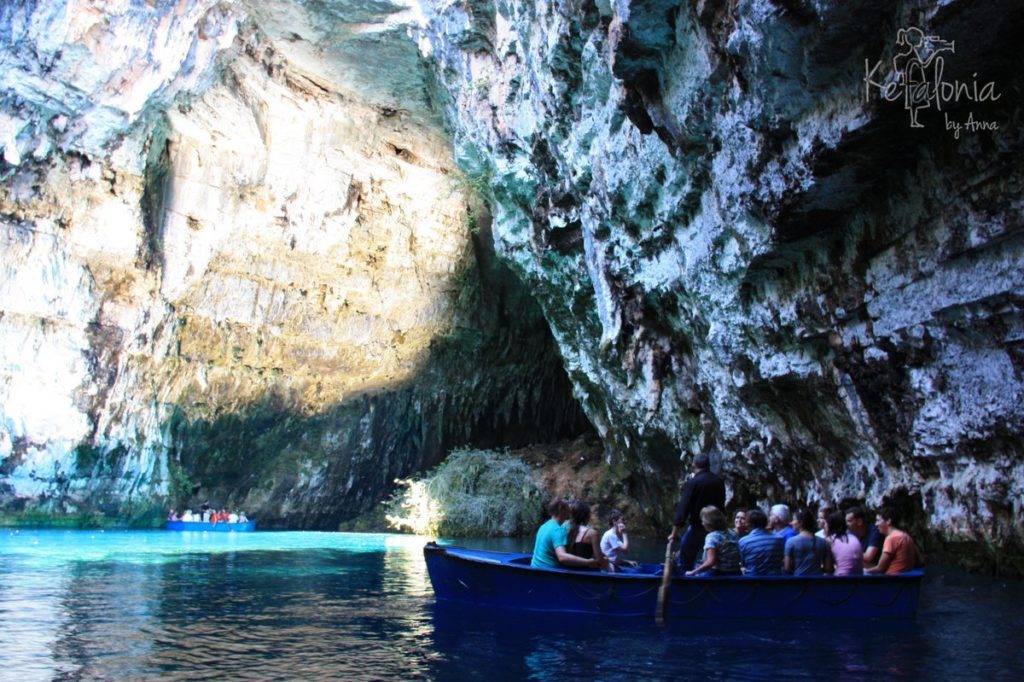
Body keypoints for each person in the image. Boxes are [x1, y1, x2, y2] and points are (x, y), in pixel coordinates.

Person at [669, 452, 725, 570]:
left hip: (698, 527)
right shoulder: (719, 481)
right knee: (715, 558)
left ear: (694, 465)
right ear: (708, 465)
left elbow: (683, 509)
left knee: (686, 558)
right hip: (717, 529)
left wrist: (674, 533)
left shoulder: (693, 482)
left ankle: (687, 579)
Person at [531, 499, 601, 570]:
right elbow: (562, 557)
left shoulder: (543, 526)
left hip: (535, 567)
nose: (570, 512)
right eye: (568, 508)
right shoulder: (557, 530)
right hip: (549, 571)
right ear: (561, 509)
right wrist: (587, 562)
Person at [686, 506, 741, 576]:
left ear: (709, 523)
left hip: (720, 573)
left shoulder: (712, 537)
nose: (702, 523)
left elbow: (710, 562)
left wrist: (694, 572)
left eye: (703, 521)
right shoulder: (732, 533)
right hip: (736, 572)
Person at [866, 507, 923, 574]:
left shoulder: (891, 538)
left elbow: (880, 568)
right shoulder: (906, 535)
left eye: (878, 520)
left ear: (888, 521)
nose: (876, 524)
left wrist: (863, 571)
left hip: (893, 579)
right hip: (905, 578)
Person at [784, 509, 834, 576]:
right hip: (818, 582)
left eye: (794, 520)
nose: (791, 523)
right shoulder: (823, 542)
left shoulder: (791, 542)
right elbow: (828, 568)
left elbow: (787, 568)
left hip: (798, 582)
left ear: (801, 522)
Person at [738, 508, 785, 575]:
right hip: (775, 581)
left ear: (749, 524)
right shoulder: (779, 539)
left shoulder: (744, 541)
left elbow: (743, 563)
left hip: (752, 582)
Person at [566, 501, 605, 568]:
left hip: (569, 569)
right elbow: (599, 561)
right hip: (587, 571)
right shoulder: (592, 533)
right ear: (587, 516)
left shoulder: (565, 530)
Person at [826, 510, 863, 576]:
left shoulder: (830, 540)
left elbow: (828, 568)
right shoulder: (854, 537)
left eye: (826, 524)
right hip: (859, 578)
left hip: (842, 579)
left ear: (829, 526)